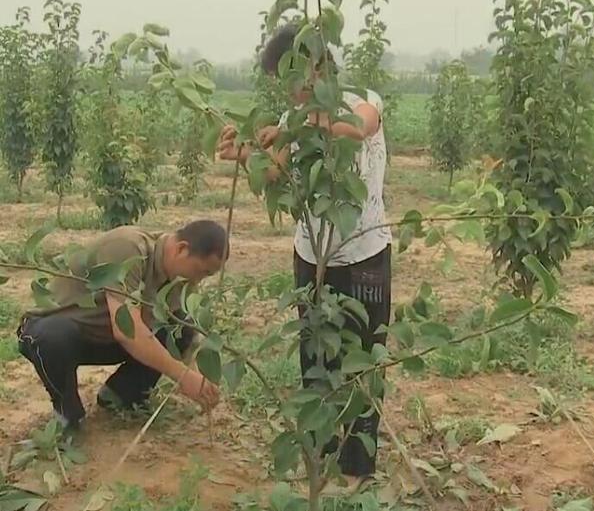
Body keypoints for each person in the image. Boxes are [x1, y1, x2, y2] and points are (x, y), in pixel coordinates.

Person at [217, 24, 392, 486]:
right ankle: (320, 454)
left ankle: (358, 467)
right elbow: (276, 176)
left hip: (365, 255)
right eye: (281, 80)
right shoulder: (292, 119)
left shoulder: (362, 98)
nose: (289, 89)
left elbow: (359, 129)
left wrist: (298, 123)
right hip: (311, 256)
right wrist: (247, 156)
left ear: (317, 64)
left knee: (364, 356)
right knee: (316, 355)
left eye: (290, 75)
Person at [17, 220, 226, 429]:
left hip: (108, 338)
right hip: (63, 334)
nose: (198, 281)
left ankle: (120, 396)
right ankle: (67, 414)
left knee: (181, 330)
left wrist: (199, 380)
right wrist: (182, 375)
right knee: (52, 336)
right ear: (182, 249)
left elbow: (179, 328)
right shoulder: (128, 247)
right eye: (202, 271)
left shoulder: (178, 280)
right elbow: (127, 331)